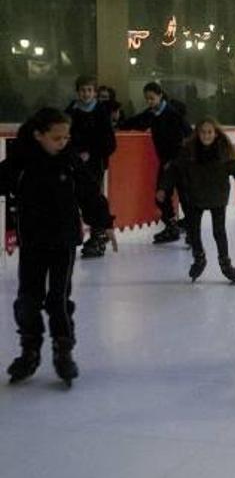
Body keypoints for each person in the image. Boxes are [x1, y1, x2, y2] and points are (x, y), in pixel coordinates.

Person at [2, 108, 117, 386]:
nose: (63, 142)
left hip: (64, 241)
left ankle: (62, 351)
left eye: (66, 137)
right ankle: (29, 350)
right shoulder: (21, 162)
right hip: (32, 240)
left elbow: (90, 193)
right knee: (28, 299)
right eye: (57, 138)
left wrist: (104, 222)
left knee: (58, 299)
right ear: (38, 135)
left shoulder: (71, 161)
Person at [159, 118, 235, 284]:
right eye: (202, 132)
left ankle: (225, 263)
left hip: (217, 197)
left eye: (209, 132)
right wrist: (163, 188)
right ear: (197, 134)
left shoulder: (224, 152)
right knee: (193, 230)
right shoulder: (188, 151)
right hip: (194, 196)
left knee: (219, 231)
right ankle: (199, 258)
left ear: (216, 133)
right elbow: (173, 170)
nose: (206, 135)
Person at [120, 82, 193, 244]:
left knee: (184, 195)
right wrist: (118, 125)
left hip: (178, 162)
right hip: (166, 162)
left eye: (152, 98)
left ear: (160, 95)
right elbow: (136, 121)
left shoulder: (173, 114)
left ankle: (191, 229)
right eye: (147, 99)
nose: (149, 102)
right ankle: (172, 226)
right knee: (161, 196)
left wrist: (177, 160)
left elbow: (188, 134)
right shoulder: (152, 114)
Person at [65, 75, 117, 258]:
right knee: (76, 198)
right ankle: (84, 234)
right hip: (74, 164)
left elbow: (110, 142)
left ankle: (97, 235)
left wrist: (92, 153)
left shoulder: (101, 111)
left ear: (94, 92)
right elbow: (64, 135)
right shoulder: (71, 111)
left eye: (89, 90)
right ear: (77, 92)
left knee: (93, 198)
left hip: (95, 164)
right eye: (82, 90)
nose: (86, 94)